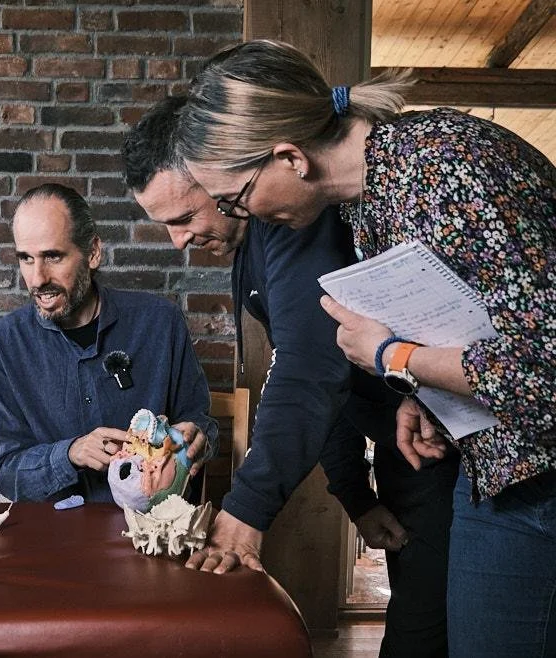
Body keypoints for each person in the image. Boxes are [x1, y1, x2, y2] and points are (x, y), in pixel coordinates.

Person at [175, 39, 555, 657]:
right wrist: (428, 395)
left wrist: (393, 359)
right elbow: (484, 325)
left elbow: (544, 370)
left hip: (540, 468)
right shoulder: (372, 200)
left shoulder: (441, 169)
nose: (238, 216)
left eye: (233, 200)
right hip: (499, 463)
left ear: (290, 158)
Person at [123, 95, 456, 656]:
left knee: (424, 638)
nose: (178, 242)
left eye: (184, 218)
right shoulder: (250, 242)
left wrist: (246, 510)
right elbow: (331, 369)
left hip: (453, 445)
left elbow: (311, 371)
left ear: (218, 172)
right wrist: (355, 494)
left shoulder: (288, 218)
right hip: (405, 441)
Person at [0, 183, 218, 503]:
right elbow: (5, 472)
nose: (37, 278)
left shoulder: (161, 323)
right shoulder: (2, 345)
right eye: (26, 258)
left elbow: (204, 427)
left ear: (93, 252)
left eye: (53, 256)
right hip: (55, 538)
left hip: (150, 531)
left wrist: (196, 437)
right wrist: (70, 453)